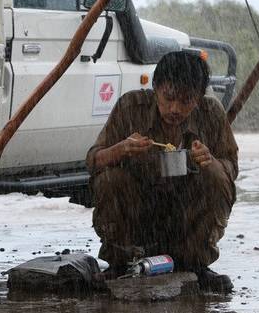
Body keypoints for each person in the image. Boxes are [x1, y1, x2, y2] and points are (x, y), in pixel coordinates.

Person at [86, 50, 238, 293]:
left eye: (186, 101)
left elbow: (231, 168)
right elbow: (93, 161)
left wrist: (211, 161)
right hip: (140, 209)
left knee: (216, 176)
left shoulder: (211, 113)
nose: (175, 109)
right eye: (168, 98)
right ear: (155, 88)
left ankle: (195, 264)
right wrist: (121, 149)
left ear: (198, 98)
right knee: (109, 179)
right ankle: (122, 262)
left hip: (186, 213)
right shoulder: (130, 107)